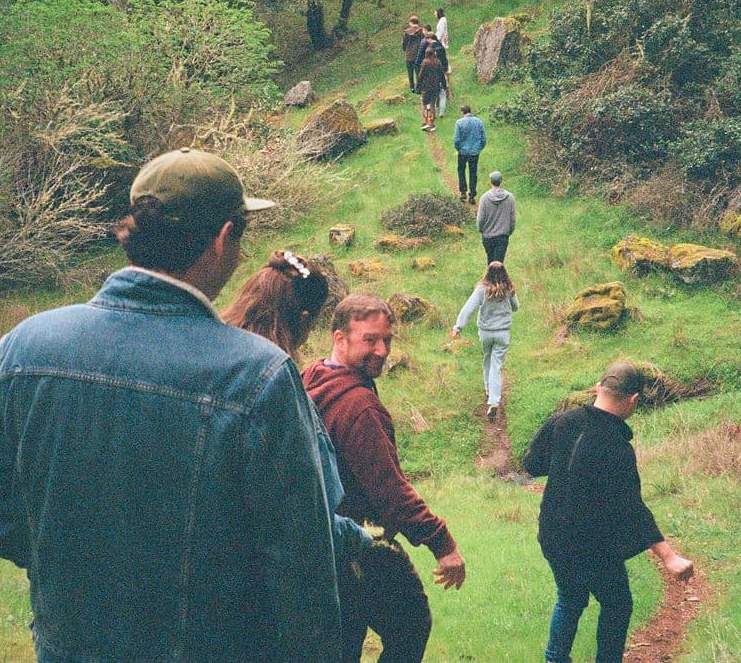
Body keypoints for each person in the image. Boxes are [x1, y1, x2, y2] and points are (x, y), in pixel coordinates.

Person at [0, 148, 341, 661]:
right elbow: (302, 563)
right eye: (242, 236)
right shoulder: (257, 375)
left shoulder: (24, 348)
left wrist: (73, 563)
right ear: (224, 238)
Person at [303, 295, 467, 663]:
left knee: (343, 639)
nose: (381, 350)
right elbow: (388, 489)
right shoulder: (358, 406)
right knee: (410, 624)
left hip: (318, 540)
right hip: (358, 541)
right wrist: (442, 543)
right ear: (339, 338)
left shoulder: (313, 377)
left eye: (387, 340)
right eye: (370, 339)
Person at [523, 360, 695, 663]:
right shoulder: (617, 446)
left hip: (552, 537)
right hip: (591, 546)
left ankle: (554, 659)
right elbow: (632, 508)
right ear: (633, 400)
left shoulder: (560, 422)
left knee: (571, 598)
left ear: (598, 388)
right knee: (617, 604)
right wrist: (669, 556)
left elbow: (532, 465)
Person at [222, 251, 371, 563]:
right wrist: (361, 538)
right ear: (303, 321)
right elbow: (310, 511)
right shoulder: (276, 384)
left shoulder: (205, 354)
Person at [450, 261, 519, 420]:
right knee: (497, 365)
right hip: (502, 333)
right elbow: (515, 307)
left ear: (487, 272)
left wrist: (458, 327)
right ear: (505, 273)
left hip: (486, 333)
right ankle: (494, 401)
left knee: (487, 359)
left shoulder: (481, 289)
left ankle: (489, 391)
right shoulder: (509, 288)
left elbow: (469, 308)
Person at [476, 170, 516, 264]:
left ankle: (490, 278)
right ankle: (497, 279)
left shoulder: (484, 198)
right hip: (502, 237)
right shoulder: (510, 198)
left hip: (488, 237)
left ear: (490, 181)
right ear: (501, 181)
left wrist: (481, 230)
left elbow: (480, 219)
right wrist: (508, 232)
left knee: (490, 263)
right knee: (499, 264)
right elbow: (512, 219)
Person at [452, 104, 486, 203]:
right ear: (470, 111)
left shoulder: (459, 122)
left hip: (463, 151)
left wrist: (459, 149)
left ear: (462, 112)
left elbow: (456, 139)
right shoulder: (479, 122)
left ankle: (463, 192)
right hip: (475, 152)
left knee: (461, 170)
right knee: (473, 172)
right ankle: (472, 195)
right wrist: (479, 148)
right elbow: (483, 138)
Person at [417, 51, 445, 132]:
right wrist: (443, 84)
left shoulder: (425, 63)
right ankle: (432, 124)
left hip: (426, 87)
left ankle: (425, 122)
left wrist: (418, 86)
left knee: (424, 104)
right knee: (433, 104)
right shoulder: (437, 62)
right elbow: (441, 75)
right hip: (436, 87)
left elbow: (420, 75)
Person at [402, 15, 426, 93]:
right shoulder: (421, 31)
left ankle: (412, 87)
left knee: (410, 73)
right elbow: (424, 42)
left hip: (409, 55)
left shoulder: (406, 32)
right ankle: (419, 88)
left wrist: (405, 49)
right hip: (418, 55)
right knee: (418, 72)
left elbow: (404, 44)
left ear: (411, 22)